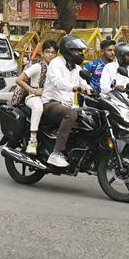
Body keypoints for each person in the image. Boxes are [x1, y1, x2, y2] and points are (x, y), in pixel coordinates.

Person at [40, 35, 94, 168]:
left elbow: (84, 83)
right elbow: (58, 81)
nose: (80, 53)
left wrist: (91, 90)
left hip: (69, 105)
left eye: (81, 51)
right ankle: (56, 153)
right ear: (68, 50)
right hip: (51, 103)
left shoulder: (77, 68)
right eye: (77, 50)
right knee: (70, 114)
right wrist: (75, 88)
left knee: (91, 116)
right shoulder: (56, 63)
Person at [9, 39, 57, 155]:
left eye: (53, 52)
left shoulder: (57, 69)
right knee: (38, 107)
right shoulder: (38, 67)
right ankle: (33, 140)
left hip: (49, 97)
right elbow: (19, 80)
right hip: (33, 97)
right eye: (47, 52)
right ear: (42, 53)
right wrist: (34, 91)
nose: (50, 55)